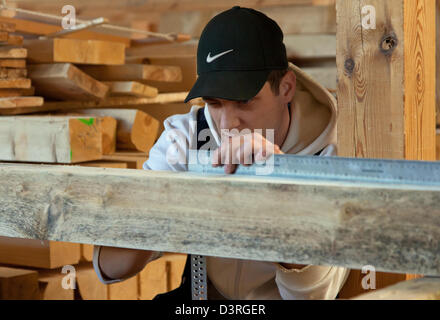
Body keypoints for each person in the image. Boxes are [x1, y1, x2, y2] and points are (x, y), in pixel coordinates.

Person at [93, 6, 350, 300]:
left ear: (287, 88)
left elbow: (313, 297)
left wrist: (281, 196)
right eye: (214, 103)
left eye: (244, 102)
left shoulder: (332, 153)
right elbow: (110, 266)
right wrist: (170, 204)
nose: (228, 124)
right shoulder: (187, 137)